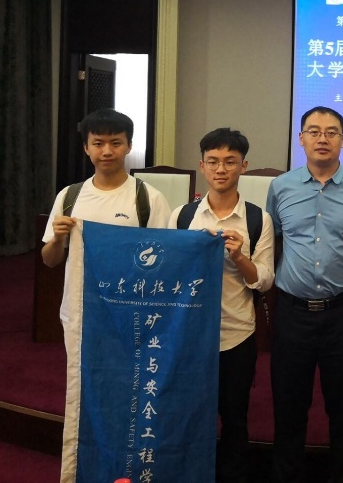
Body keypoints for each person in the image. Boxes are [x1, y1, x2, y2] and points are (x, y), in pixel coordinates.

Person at [265, 107, 343, 483]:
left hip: (342, 313)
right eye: (314, 131)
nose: (323, 138)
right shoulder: (280, 187)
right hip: (292, 313)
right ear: (301, 139)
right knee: (288, 405)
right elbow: (274, 242)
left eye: (332, 132)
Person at [170, 128, 275, 483]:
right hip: (189, 337)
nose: (221, 169)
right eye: (213, 161)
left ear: (243, 166)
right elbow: (168, 273)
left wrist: (239, 256)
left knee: (234, 418)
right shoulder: (182, 217)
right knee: (188, 414)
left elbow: (264, 280)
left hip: (236, 335)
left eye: (230, 162)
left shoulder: (258, 219)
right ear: (202, 166)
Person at [41, 108, 171, 320]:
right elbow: (49, 261)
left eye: (116, 143)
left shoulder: (149, 198)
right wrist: (57, 239)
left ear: (129, 146)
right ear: (86, 147)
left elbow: (164, 261)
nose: (107, 151)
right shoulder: (69, 196)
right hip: (79, 311)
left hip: (130, 310)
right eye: (98, 143)